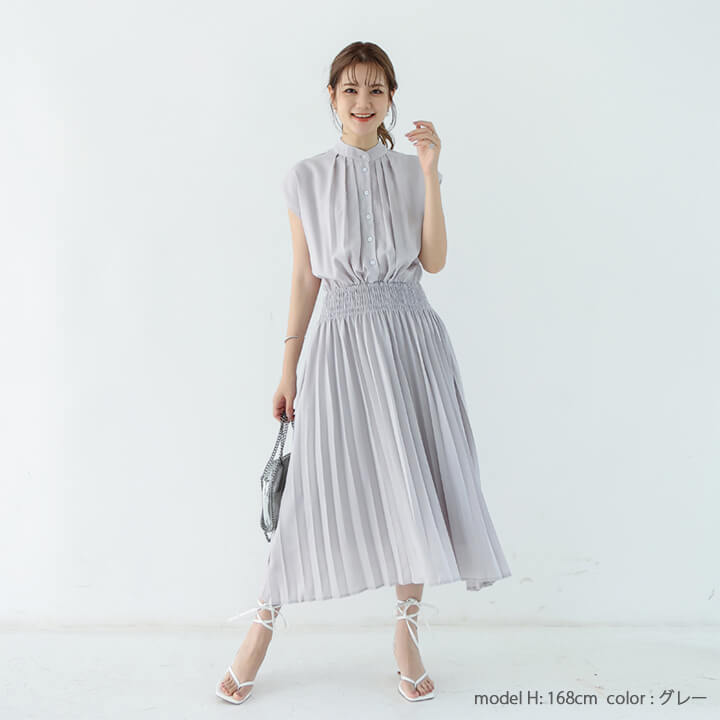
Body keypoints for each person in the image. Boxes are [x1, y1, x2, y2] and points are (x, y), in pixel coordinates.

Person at [216, 41, 511, 705]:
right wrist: (287, 370)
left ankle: (407, 632)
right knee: (311, 488)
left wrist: (430, 170)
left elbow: (434, 260)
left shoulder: (413, 171)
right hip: (342, 343)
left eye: (376, 89)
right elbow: (304, 278)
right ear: (332, 97)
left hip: (411, 338)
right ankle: (261, 628)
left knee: (415, 485)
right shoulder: (305, 178)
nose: (363, 101)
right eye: (351, 89)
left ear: (391, 98)